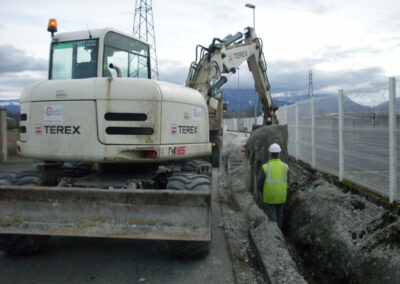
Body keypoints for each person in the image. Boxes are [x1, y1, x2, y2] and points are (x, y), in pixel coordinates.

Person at [257, 143, 289, 229]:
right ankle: (280, 233)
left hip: (269, 196)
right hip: (281, 195)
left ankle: (274, 234)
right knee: (280, 215)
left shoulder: (265, 167)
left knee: (272, 215)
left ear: (270, 154)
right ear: (279, 154)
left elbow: (259, 182)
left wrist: (261, 192)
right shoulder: (285, 167)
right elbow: (288, 181)